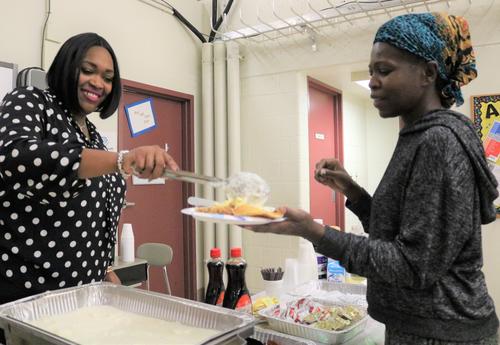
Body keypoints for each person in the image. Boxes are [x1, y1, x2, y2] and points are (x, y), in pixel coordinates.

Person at [246, 13, 499, 344]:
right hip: (424, 327)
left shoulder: (438, 141)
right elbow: (397, 231)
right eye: (371, 73)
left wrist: (313, 231)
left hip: (443, 333)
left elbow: (411, 264)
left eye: (385, 71)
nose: (374, 82)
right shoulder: (418, 136)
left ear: (428, 73)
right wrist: (351, 189)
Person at [0, 33, 179, 304]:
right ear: (66, 67)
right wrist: (122, 160)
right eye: (87, 70)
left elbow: (94, 216)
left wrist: (104, 268)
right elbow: (16, 157)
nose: (98, 83)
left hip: (85, 296)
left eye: (108, 78)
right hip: (29, 294)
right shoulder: (31, 101)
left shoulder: (93, 136)